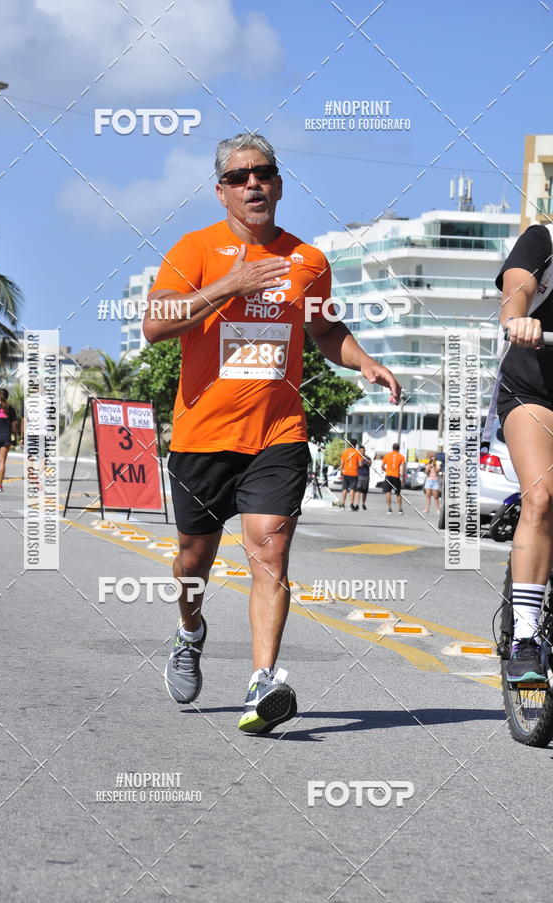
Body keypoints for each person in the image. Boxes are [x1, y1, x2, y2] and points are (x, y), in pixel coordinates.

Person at [142, 133, 401, 734]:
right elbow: (156, 323)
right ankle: (189, 632)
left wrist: (362, 360)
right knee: (193, 559)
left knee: (271, 550)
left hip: (277, 432)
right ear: (222, 192)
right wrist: (229, 286)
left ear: (279, 184)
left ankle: (263, 682)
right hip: (202, 437)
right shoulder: (196, 249)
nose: (252, 183)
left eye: (263, 173)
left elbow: (326, 331)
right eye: (239, 177)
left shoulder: (307, 261)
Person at [491, 222, 553, 681]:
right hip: (535, 390)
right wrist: (519, 319)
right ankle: (526, 637)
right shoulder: (545, 238)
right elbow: (518, 286)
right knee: (543, 496)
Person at [381, 442, 405, 515]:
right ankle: (400, 509)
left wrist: (386, 470)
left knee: (388, 492)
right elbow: (403, 469)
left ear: (392, 448)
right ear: (399, 449)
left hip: (388, 475)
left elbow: (382, 466)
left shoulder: (387, 455)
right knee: (398, 493)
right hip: (396, 476)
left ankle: (389, 508)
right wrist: (402, 478)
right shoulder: (401, 456)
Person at [339, 440, 362, 510]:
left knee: (344, 489)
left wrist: (341, 471)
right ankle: (351, 504)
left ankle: (343, 504)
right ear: (355, 445)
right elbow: (360, 464)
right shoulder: (357, 453)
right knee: (352, 489)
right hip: (354, 473)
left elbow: (342, 463)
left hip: (346, 473)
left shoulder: (345, 452)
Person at [353, 446, 371, 510]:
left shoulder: (367, 457)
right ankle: (357, 504)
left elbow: (370, 464)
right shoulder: (356, 457)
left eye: (363, 451)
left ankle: (363, 504)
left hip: (366, 476)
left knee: (364, 491)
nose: (362, 452)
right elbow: (357, 465)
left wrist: (365, 461)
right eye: (361, 451)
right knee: (358, 490)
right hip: (359, 475)